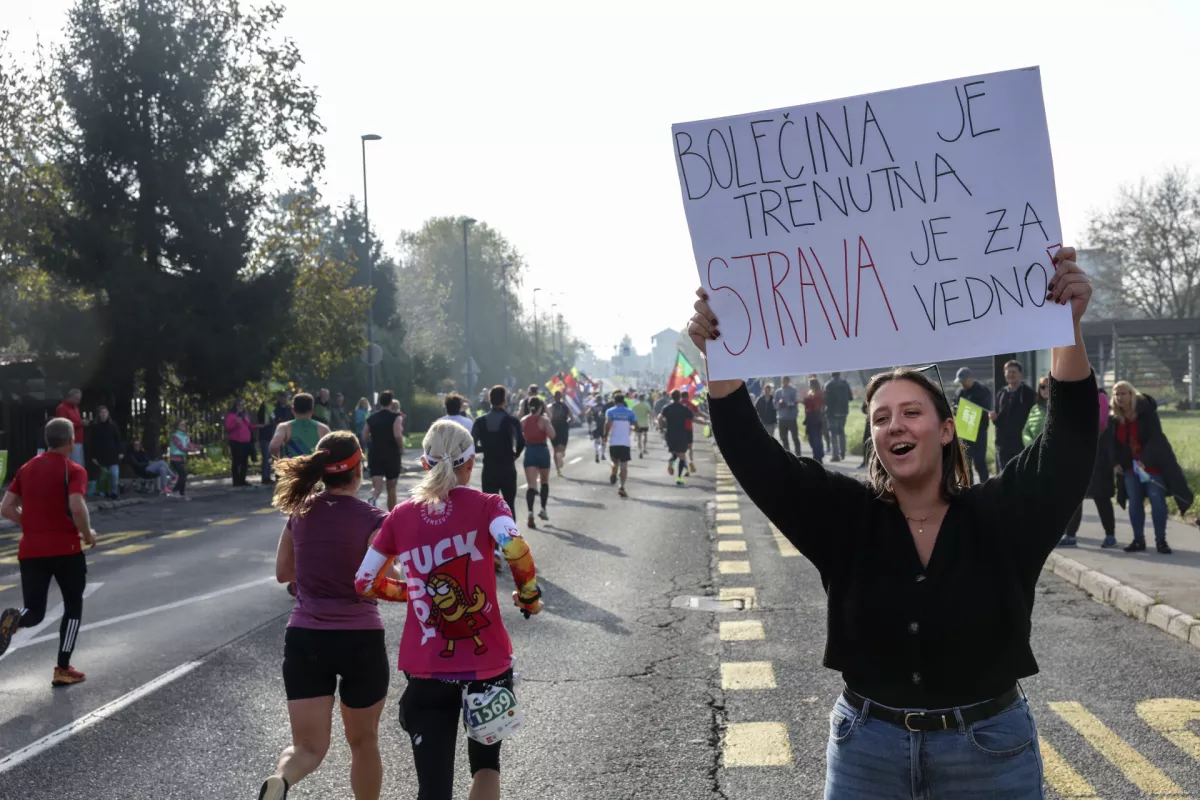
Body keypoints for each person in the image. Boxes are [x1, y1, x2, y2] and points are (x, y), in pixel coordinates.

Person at [689, 247, 1098, 797]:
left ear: (946, 430)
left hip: (990, 754)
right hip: (868, 753)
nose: (894, 425)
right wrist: (722, 357)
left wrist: (1065, 327)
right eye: (880, 417)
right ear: (875, 442)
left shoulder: (1003, 515)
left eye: (911, 412)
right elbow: (755, 457)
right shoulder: (845, 518)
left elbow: (1068, 445)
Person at [353, 421, 543, 800]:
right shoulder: (491, 505)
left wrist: (415, 593)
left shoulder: (401, 515)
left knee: (433, 787)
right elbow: (516, 549)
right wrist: (529, 596)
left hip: (426, 668)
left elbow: (364, 581)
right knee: (486, 767)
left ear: (425, 463)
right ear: (471, 463)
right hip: (488, 664)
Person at [258, 431, 399, 800]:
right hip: (360, 640)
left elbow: (283, 573)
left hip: (306, 637)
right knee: (364, 741)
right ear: (358, 469)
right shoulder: (374, 520)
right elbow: (385, 579)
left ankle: (280, 781)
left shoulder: (300, 512)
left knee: (307, 748)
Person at [0, 418, 97, 684]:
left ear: (46, 440)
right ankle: (63, 669)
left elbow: (6, 507)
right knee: (73, 605)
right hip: (66, 549)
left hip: (31, 549)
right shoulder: (73, 469)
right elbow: (76, 506)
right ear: (70, 441)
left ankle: (13, 619)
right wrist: (87, 534)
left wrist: (31, 524)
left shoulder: (26, 468)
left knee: (33, 611)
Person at [1109, 380, 1192, 555]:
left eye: (1123, 393)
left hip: (1152, 465)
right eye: (1116, 394)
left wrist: (1144, 460)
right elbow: (1112, 443)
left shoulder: (1146, 413)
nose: (1119, 397)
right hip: (1130, 468)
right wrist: (1115, 461)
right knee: (1135, 503)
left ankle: (1161, 540)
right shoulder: (1115, 418)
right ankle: (1138, 540)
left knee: (1157, 501)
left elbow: (1156, 439)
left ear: (1131, 394)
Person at [472, 385, 526, 521]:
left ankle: (492, 541)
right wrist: (515, 454)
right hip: (507, 467)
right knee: (509, 505)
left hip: (489, 468)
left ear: (490, 400)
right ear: (505, 400)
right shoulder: (512, 421)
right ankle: (510, 539)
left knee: (490, 507)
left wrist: (486, 449)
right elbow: (521, 442)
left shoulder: (480, 421)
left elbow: (471, 444)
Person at [991, 360, 1036, 472]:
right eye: (1008, 372)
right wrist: (994, 418)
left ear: (1020, 374)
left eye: (1013, 372)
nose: (1010, 374)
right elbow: (998, 417)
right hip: (1003, 444)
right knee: (1004, 475)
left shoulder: (1029, 393)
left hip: (1021, 443)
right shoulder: (1001, 393)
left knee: (1021, 474)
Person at [363, 391, 405, 510]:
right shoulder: (396, 417)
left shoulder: (371, 418)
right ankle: (392, 515)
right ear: (391, 403)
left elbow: (365, 436)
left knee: (377, 486)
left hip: (375, 453)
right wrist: (401, 446)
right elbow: (397, 434)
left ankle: (371, 502)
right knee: (391, 487)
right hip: (391, 454)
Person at [520, 397, 555, 528]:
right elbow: (552, 435)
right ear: (541, 407)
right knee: (544, 481)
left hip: (530, 451)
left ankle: (530, 513)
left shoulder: (523, 421)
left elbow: (518, 437)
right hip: (542, 451)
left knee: (531, 485)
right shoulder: (544, 420)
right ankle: (543, 509)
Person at [953, 368, 992, 484]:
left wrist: (967, 408)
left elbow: (985, 410)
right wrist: (955, 409)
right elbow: (955, 406)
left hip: (979, 432)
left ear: (971, 378)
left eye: (964, 380)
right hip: (964, 432)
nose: (962, 383)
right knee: (965, 463)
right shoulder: (959, 392)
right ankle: (968, 490)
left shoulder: (983, 391)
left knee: (980, 462)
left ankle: (985, 488)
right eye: (960, 381)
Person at [271, 393, 331, 461]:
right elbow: (332, 449)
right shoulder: (323, 428)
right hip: (315, 468)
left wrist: (277, 462)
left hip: (293, 468)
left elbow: (274, 446)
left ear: (293, 410)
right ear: (312, 410)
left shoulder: (284, 427)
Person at [605, 391, 638, 497]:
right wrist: (632, 427)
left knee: (614, 462)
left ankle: (614, 471)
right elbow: (636, 426)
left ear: (614, 401)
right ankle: (622, 486)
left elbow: (607, 424)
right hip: (625, 443)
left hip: (614, 442)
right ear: (623, 401)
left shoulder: (610, 411)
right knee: (624, 466)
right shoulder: (630, 412)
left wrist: (604, 436)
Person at [659, 390, 695, 487]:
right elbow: (692, 418)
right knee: (682, 455)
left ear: (671, 397)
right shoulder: (684, 408)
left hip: (670, 434)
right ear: (679, 397)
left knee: (675, 453)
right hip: (681, 434)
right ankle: (679, 477)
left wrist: (661, 429)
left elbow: (659, 418)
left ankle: (671, 462)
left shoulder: (667, 408)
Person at [88, 405, 122, 499]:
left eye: (105, 412)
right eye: (101, 413)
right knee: (104, 476)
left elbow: (117, 439)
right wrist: (93, 456)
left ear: (108, 414)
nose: (103, 414)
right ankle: (106, 492)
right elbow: (92, 442)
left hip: (112, 453)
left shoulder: (113, 425)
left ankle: (114, 492)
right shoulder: (95, 427)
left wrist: (120, 451)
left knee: (114, 474)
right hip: (101, 454)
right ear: (99, 414)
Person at [169, 419, 202, 500]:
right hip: (175, 458)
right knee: (183, 474)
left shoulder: (185, 436)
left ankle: (181, 493)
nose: (184, 426)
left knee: (183, 475)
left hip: (181, 458)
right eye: (181, 425)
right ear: (177, 426)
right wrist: (192, 450)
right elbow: (181, 447)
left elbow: (189, 445)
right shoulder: (175, 436)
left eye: (184, 425)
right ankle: (174, 491)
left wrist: (197, 447)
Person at [55, 389, 89, 467]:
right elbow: (63, 425)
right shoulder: (62, 408)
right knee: (74, 465)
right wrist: (80, 423)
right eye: (77, 399)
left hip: (78, 440)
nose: (79, 401)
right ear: (71, 397)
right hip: (69, 441)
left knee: (78, 464)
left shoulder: (75, 408)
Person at [225, 398, 254, 487]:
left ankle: (242, 479)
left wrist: (256, 426)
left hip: (246, 441)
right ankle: (236, 480)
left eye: (242, 405)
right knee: (237, 460)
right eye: (239, 405)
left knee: (244, 461)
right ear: (235, 406)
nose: (241, 407)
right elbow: (228, 428)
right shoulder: (231, 416)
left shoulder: (244, 415)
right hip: (236, 441)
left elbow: (249, 426)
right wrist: (236, 423)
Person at [824, 372, 852, 463]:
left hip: (832, 413)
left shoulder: (828, 384)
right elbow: (850, 397)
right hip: (843, 412)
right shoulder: (845, 383)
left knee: (834, 434)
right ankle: (842, 451)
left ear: (832, 375)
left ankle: (835, 455)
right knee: (841, 432)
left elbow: (825, 399)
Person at [258, 394, 286, 485]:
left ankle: (278, 476)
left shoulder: (276, 409)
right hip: (265, 436)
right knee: (266, 457)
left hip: (275, 436)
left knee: (277, 457)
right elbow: (260, 420)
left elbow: (279, 420)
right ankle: (265, 477)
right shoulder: (263, 409)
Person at [681, 389, 709, 474]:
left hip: (680, 430)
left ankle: (685, 468)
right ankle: (691, 461)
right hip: (689, 429)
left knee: (682, 450)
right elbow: (698, 413)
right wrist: (707, 417)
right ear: (687, 396)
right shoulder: (690, 404)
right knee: (690, 448)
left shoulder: (678, 404)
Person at [547, 391, 575, 476]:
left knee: (555, 449)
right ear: (561, 397)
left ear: (554, 397)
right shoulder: (565, 406)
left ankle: (558, 470)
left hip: (553, 428)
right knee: (561, 447)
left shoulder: (550, 406)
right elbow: (571, 418)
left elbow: (547, 418)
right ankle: (561, 455)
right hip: (563, 428)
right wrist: (567, 423)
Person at [775, 376, 801, 455]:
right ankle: (788, 454)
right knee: (783, 438)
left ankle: (798, 454)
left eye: (786, 380)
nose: (784, 382)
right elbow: (775, 404)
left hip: (791, 417)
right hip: (782, 417)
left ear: (788, 381)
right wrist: (779, 403)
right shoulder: (778, 391)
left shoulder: (793, 390)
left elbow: (796, 400)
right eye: (783, 380)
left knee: (795, 437)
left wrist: (791, 403)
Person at [803, 377, 826, 464]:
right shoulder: (810, 392)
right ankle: (816, 454)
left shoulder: (819, 393)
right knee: (811, 438)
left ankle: (818, 456)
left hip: (816, 417)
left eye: (810, 383)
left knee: (816, 438)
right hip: (809, 416)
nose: (809, 385)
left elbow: (818, 405)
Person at [630, 393, 652, 458]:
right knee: (645, 435)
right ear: (644, 399)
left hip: (637, 424)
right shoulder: (646, 405)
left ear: (638, 399)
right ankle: (644, 448)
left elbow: (632, 415)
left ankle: (640, 451)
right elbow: (649, 413)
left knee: (639, 437)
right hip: (644, 423)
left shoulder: (634, 406)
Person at [589, 393, 609, 463]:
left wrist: (590, 430)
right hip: (603, 426)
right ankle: (603, 454)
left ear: (596, 400)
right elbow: (607, 417)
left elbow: (590, 418)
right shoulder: (605, 407)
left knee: (596, 441)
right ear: (601, 400)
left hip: (596, 425)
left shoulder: (593, 407)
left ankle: (597, 453)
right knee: (603, 440)